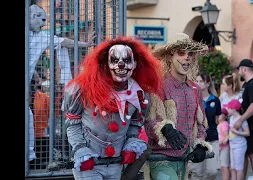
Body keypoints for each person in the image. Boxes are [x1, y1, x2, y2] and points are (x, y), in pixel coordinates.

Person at [63, 36, 163, 179]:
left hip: (115, 162)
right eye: (115, 60)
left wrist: (131, 141)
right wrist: (80, 148)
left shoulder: (140, 94)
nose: (121, 65)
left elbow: (135, 122)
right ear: (106, 63)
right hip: (89, 161)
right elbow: (72, 123)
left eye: (127, 60)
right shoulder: (84, 88)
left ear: (135, 64)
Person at [27, 4, 95, 162]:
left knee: (28, 118)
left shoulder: (42, 37)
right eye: (42, 19)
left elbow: (65, 42)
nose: (44, 24)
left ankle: (30, 158)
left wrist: (85, 45)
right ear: (33, 16)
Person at [144, 33, 211, 180]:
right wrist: (165, 129)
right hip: (161, 160)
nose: (187, 57)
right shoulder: (159, 87)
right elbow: (148, 122)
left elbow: (201, 122)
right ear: (169, 57)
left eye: (190, 53)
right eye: (181, 53)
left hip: (184, 161)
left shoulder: (195, 89)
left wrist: (200, 144)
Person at [188, 73, 221, 179]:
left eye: (201, 81)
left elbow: (218, 119)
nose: (198, 83)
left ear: (207, 83)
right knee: (197, 171)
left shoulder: (215, 100)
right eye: (196, 81)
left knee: (212, 171)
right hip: (197, 139)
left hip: (212, 137)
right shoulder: (193, 98)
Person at [224, 99, 250, 180]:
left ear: (233, 109)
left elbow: (247, 133)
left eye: (228, 108)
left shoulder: (241, 119)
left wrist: (236, 132)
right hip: (233, 145)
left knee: (239, 168)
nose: (227, 109)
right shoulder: (231, 118)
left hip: (240, 146)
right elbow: (231, 132)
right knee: (233, 167)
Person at [217, 108, 231, 180]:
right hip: (220, 148)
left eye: (221, 113)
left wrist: (220, 142)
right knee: (222, 167)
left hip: (224, 148)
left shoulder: (224, 124)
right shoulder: (219, 124)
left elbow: (226, 136)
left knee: (224, 167)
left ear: (225, 116)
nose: (219, 114)